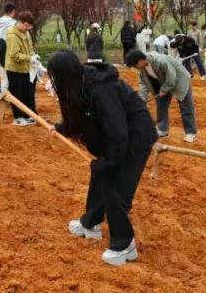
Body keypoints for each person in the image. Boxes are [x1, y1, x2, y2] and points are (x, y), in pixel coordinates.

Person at [46, 51, 157, 267]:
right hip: (118, 136)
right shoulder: (80, 83)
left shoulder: (101, 88)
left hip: (135, 137)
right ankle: (91, 223)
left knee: (115, 187)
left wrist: (109, 161)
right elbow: (82, 114)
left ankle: (124, 245)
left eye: (56, 77)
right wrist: (61, 128)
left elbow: (118, 132)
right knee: (100, 175)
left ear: (66, 75)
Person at [125, 49, 198, 143]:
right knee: (161, 106)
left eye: (135, 65)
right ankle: (163, 129)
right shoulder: (142, 69)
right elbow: (143, 83)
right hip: (163, 82)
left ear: (140, 61)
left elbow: (171, 76)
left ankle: (191, 132)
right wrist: (142, 98)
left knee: (186, 106)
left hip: (179, 79)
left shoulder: (160, 61)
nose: (135, 68)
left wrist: (164, 89)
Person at [5, 11, 37, 127]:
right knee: (17, 94)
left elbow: (30, 49)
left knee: (27, 93)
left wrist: (34, 58)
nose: (28, 28)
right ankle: (18, 117)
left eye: (30, 26)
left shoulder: (26, 33)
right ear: (21, 22)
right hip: (14, 69)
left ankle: (28, 115)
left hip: (25, 68)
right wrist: (29, 58)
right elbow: (14, 55)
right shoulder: (12, 35)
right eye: (27, 25)